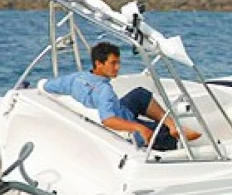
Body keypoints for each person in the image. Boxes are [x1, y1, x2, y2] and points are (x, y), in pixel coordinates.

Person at [44, 42, 201, 151]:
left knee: (140, 94)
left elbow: (47, 86)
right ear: (99, 64)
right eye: (113, 63)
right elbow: (108, 120)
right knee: (164, 134)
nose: (117, 67)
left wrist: (41, 85)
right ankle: (174, 134)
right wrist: (139, 128)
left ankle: (172, 125)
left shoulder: (76, 78)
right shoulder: (104, 90)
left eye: (118, 62)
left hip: (119, 109)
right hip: (124, 124)